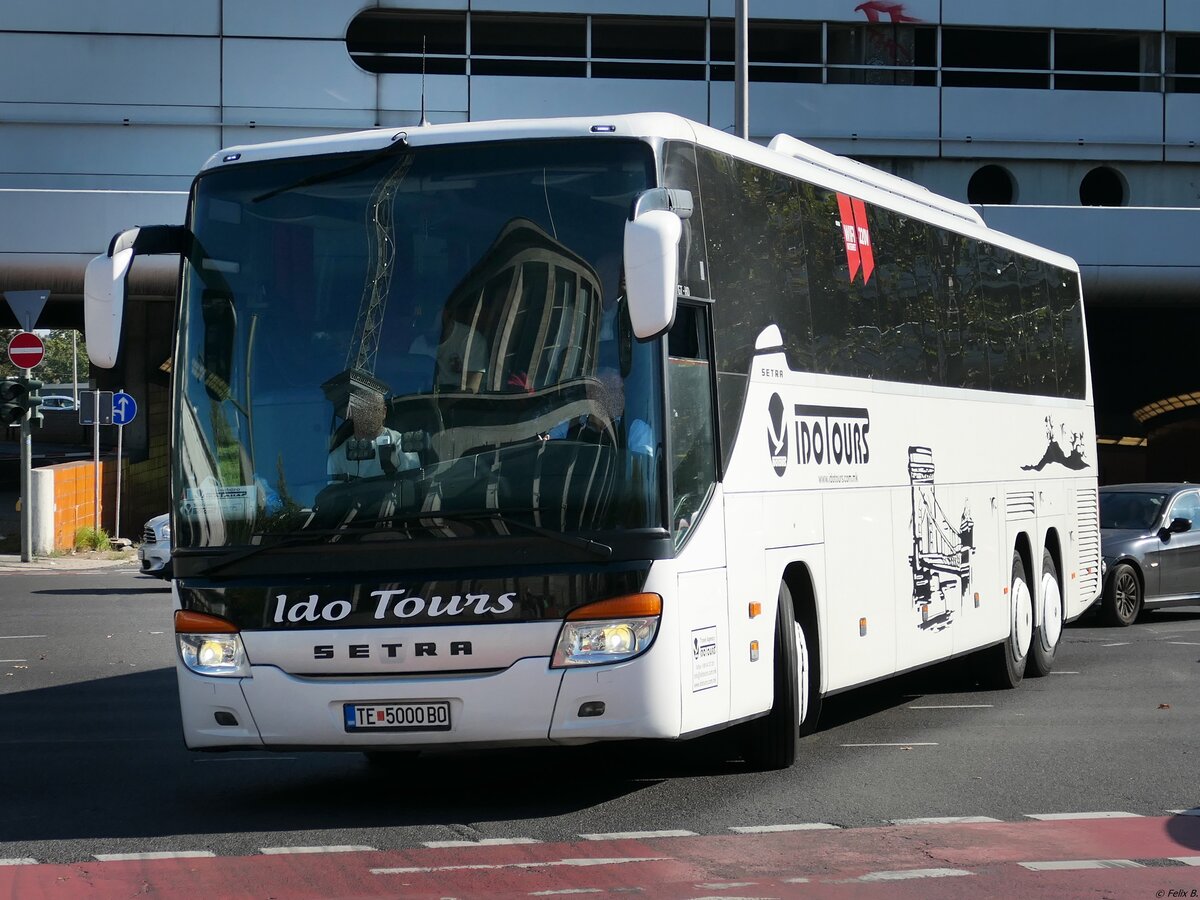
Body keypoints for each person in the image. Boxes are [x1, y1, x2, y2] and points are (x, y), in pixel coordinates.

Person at [327, 385, 420, 481]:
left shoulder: (402, 446)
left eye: (374, 409)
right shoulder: (337, 457)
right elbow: (333, 494)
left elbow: (411, 487)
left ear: (384, 412)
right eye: (363, 409)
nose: (369, 415)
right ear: (352, 412)